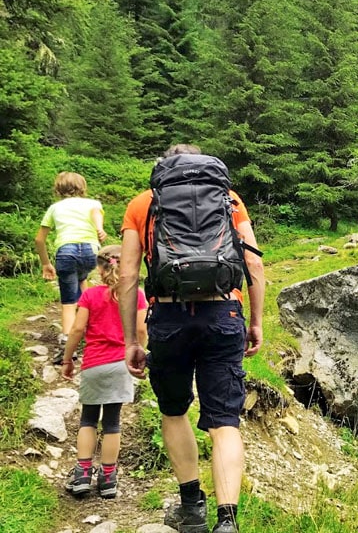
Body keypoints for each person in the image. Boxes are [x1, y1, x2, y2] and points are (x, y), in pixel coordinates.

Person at [119, 144, 265, 533]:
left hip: (168, 315)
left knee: (173, 411)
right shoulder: (228, 198)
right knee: (225, 422)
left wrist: (131, 339)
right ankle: (228, 521)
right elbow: (252, 261)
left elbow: (128, 275)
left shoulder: (143, 203)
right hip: (223, 311)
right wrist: (257, 321)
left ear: (163, 168)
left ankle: (191, 508)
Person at [61, 245, 148, 499]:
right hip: (122, 364)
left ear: (99, 269)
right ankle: (108, 479)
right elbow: (141, 330)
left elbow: (77, 329)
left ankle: (82, 474)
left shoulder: (89, 296)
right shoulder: (138, 295)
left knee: (88, 419)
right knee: (112, 422)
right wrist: (139, 352)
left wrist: (68, 359)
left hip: (94, 364)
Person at [35, 172, 108, 344]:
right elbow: (96, 212)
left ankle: (67, 341)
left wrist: (46, 264)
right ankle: (94, 326)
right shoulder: (93, 203)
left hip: (66, 251)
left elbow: (39, 239)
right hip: (91, 251)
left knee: (68, 301)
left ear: (58, 189)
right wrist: (99, 228)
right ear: (82, 187)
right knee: (82, 278)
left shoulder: (55, 208)